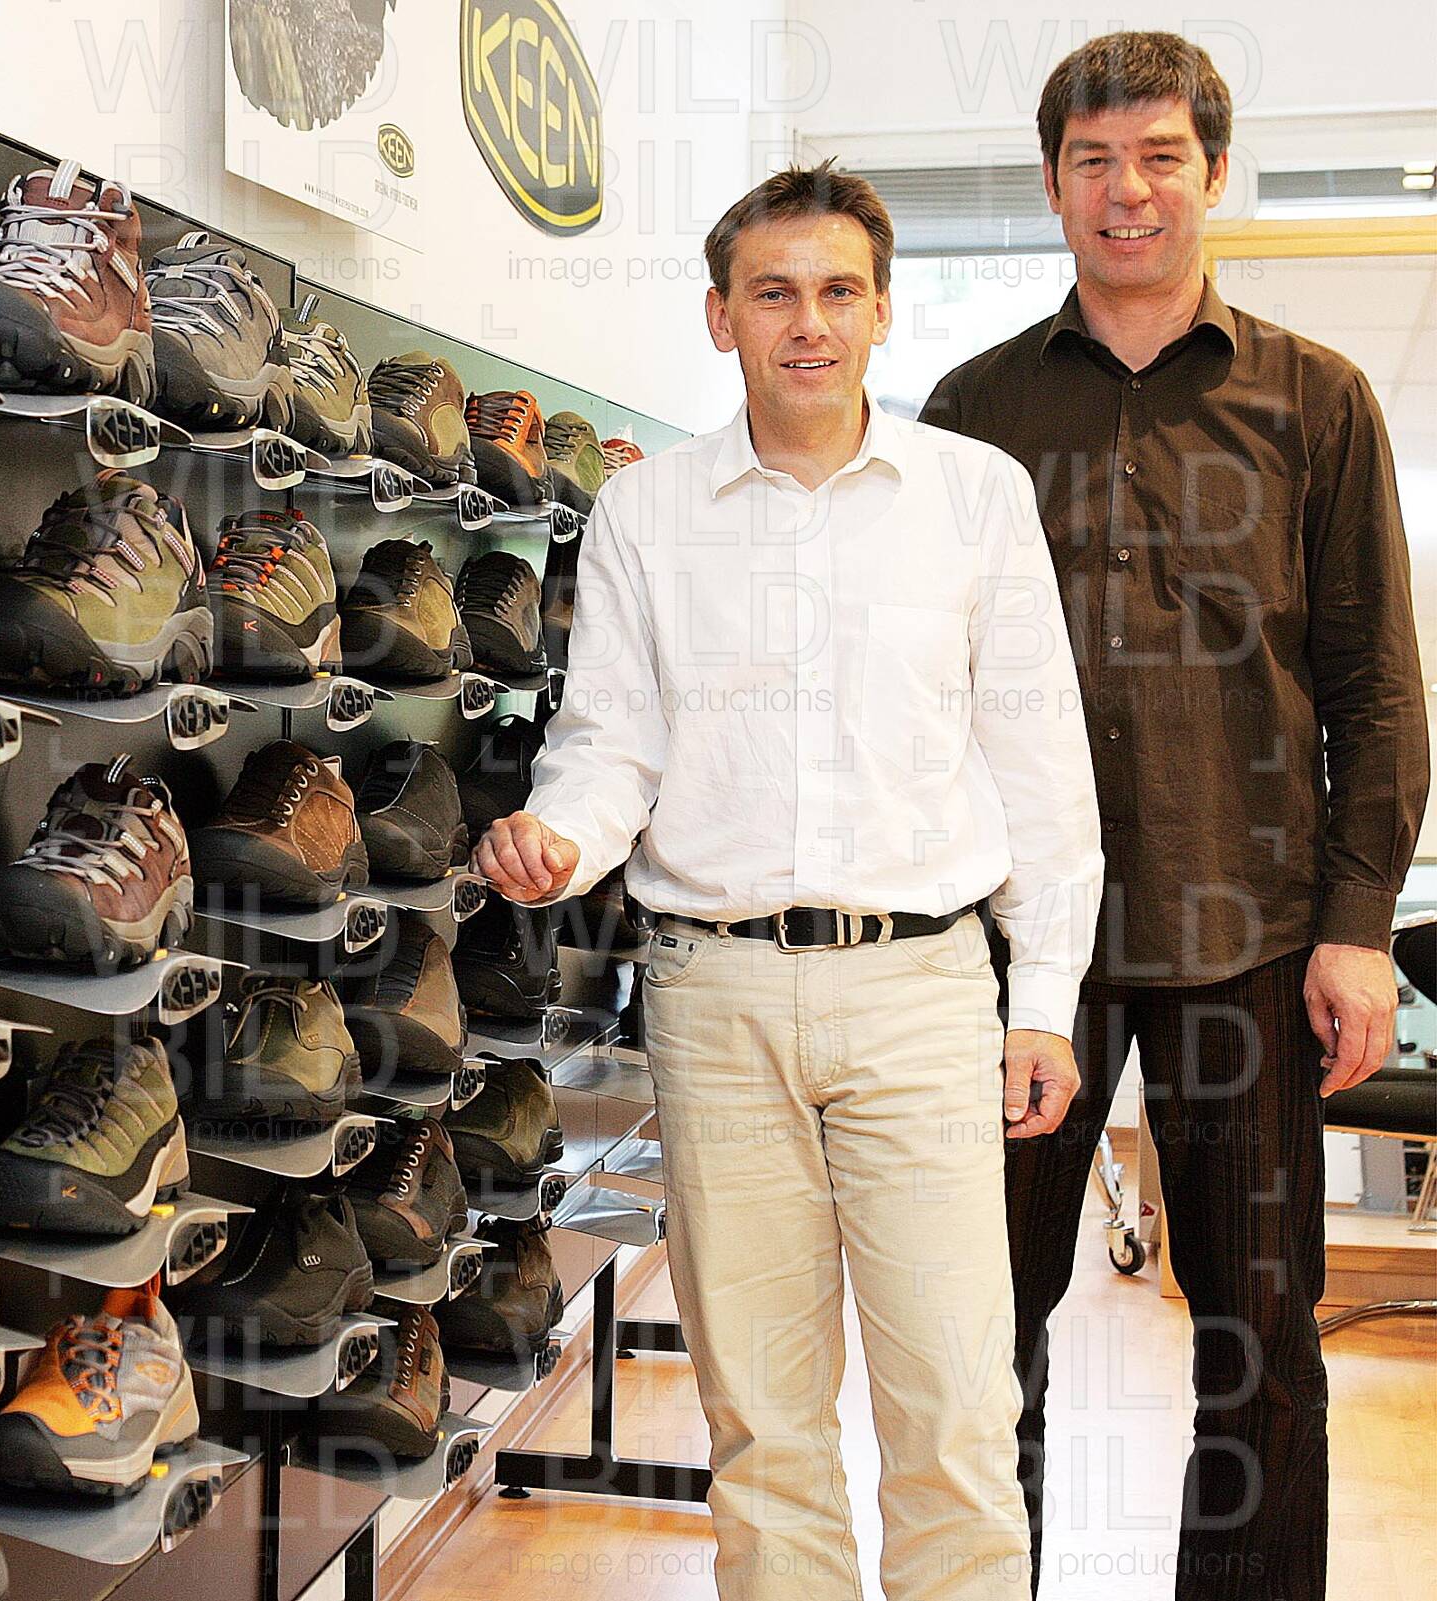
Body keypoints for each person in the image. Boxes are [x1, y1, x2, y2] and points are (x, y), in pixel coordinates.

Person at [477, 161, 1103, 1600]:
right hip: (715, 994)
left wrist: (1046, 1000)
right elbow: (611, 745)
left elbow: (1043, 770)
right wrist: (559, 835)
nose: (807, 322)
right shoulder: (646, 513)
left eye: (836, 292)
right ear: (722, 317)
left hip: (922, 993)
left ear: (883, 311)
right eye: (773, 293)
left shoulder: (975, 498)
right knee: (763, 1428)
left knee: (956, 1415)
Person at [918, 33, 1428, 1601]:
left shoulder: (1317, 401)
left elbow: (1376, 686)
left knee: (1259, 1342)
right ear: (1054, 183)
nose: (1126, 190)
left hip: (1248, 939)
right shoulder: (970, 409)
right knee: (978, 1337)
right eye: (1094, 161)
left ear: (1213, 174)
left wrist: (1357, 927)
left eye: (1158, 158)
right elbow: (917, 688)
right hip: (1020, 958)